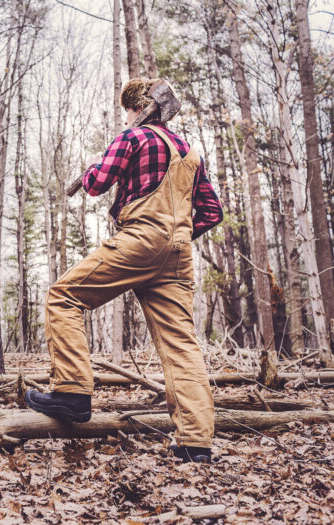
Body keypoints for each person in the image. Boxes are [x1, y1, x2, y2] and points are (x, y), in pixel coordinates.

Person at [24, 78, 224, 464]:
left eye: (126, 111)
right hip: (178, 253)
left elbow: (97, 184)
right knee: (181, 345)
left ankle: (72, 392)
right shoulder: (190, 152)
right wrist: (176, 237)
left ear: (136, 108)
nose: (126, 117)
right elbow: (212, 212)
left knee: (63, 296)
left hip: (141, 240)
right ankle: (196, 442)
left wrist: (92, 169)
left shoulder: (132, 137)